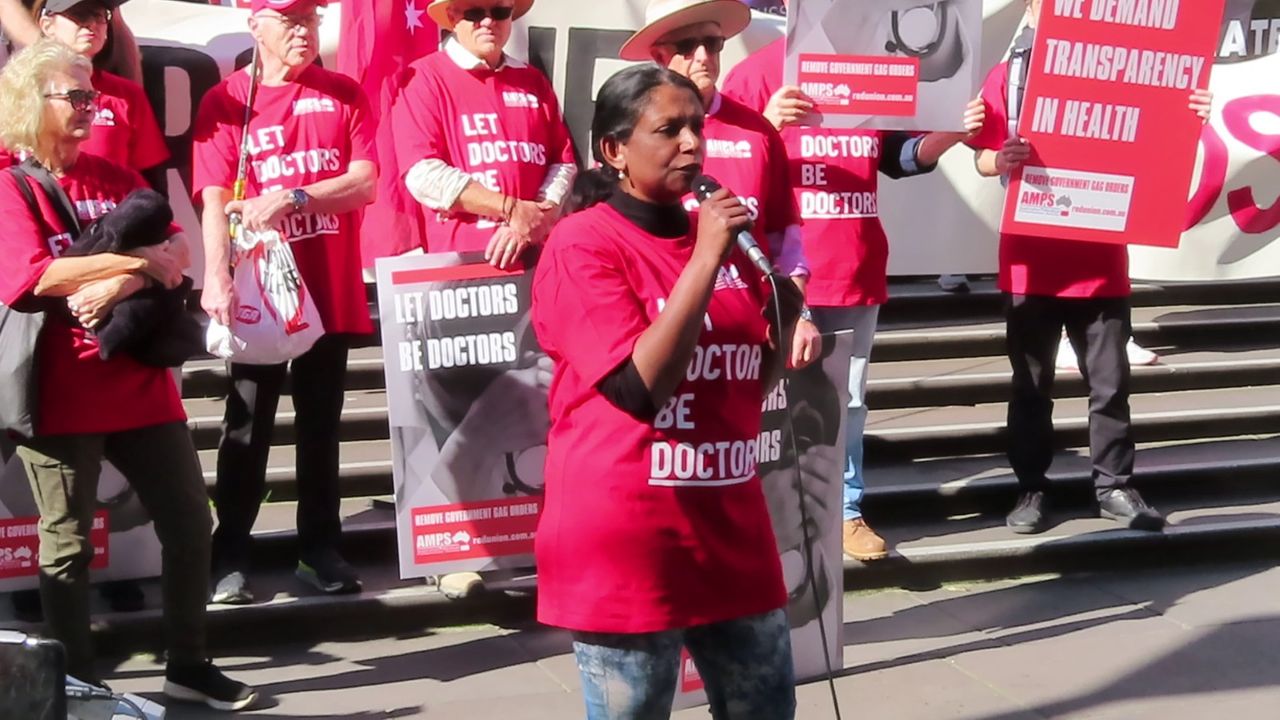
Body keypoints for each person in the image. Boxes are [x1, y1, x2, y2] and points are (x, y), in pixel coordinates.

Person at [531, 63, 802, 720]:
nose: (691, 143)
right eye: (668, 129)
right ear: (614, 150)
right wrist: (705, 259)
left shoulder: (726, 241)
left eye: (697, 127)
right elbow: (638, 389)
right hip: (630, 537)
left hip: (729, 527)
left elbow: (745, 384)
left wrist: (783, 315)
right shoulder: (583, 243)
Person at [0, 39, 253, 710]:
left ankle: (189, 666)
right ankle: (77, 686)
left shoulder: (114, 177)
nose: (91, 107)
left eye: (92, 95)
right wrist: (138, 264)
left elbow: (176, 244)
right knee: (67, 545)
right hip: (59, 393)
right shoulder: (10, 185)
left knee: (190, 522)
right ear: (31, 103)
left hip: (141, 383)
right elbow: (34, 278)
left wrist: (135, 273)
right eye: (75, 96)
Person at [721, 0, 984, 560]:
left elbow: (902, 157)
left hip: (855, 271)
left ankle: (844, 511)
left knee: (849, 401)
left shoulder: (874, 69)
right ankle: (759, 514)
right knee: (764, 399)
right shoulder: (753, 75)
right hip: (777, 275)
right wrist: (768, 124)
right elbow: (725, 171)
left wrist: (952, 133)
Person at [967, 0, 1213, 534]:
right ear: (1032, 10)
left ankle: (1114, 486)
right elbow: (980, 155)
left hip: (1101, 261)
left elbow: (1163, 136)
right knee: (1030, 387)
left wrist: (1190, 111)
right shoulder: (1008, 75)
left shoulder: (1128, 71)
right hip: (1030, 260)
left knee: (1111, 384)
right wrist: (998, 159)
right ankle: (1031, 488)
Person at [193, 0, 377, 604]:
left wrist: (293, 197)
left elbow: (365, 182)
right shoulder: (225, 101)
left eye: (312, 19)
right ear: (256, 26)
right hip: (259, 292)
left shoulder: (343, 92)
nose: (305, 31)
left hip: (326, 286)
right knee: (247, 423)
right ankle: (229, 553)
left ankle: (319, 547)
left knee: (321, 424)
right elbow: (214, 198)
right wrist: (215, 276)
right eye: (291, 20)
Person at [621, 0, 822, 371]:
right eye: (687, 46)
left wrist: (798, 314)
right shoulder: (631, 133)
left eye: (712, 44)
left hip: (746, 343)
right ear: (660, 56)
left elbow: (786, 239)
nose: (703, 57)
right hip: (658, 335)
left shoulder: (758, 131)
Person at [393, 0, 575, 267]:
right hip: (461, 262)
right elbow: (422, 174)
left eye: (500, 12)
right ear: (453, 18)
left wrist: (536, 218)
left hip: (537, 258)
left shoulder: (534, 80)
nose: (489, 22)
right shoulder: (424, 77)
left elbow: (563, 162)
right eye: (475, 13)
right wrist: (510, 208)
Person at [34, 0, 167, 187]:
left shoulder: (127, 95)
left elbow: (150, 178)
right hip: (34, 204)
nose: (92, 23)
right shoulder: (19, 91)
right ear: (48, 26)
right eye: (80, 14)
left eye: (100, 15)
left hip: (114, 204)